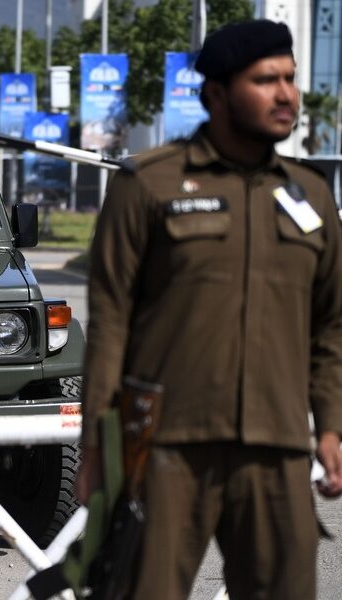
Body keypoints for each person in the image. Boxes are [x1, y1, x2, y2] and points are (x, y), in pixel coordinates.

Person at [75, 19, 342, 599]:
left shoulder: (312, 195)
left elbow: (329, 327)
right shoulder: (147, 185)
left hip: (276, 446)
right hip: (165, 448)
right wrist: (96, 449)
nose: (286, 95)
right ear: (216, 94)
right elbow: (110, 323)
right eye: (266, 80)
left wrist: (330, 426)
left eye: (291, 79)